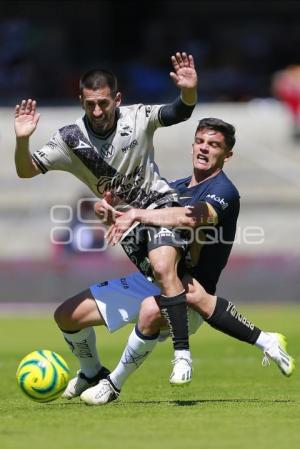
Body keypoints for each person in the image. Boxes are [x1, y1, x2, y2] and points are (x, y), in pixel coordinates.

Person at [52, 118, 295, 405]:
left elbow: (188, 217)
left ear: (227, 155)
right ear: (193, 145)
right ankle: (92, 372)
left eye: (214, 145)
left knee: (150, 310)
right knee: (67, 315)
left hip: (188, 293)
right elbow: (141, 232)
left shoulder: (224, 191)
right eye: (201, 141)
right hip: (153, 278)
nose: (204, 149)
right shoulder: (172, 188)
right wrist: (114, 215)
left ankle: (113, 384)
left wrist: (137, 214)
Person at [14, 51, 198, 381]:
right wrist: (22, 140)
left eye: (103, 103)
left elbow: (180, 111)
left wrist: (188, 91)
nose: (97, 111)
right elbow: (26, 171)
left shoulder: (138, 117)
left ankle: (181, 352)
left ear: (117, 99)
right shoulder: (69, 140)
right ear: (81, 102)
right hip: (132, 241)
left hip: (158, 212)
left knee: (161, 266)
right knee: (67, 316)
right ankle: (91, 373)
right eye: (90, 105)